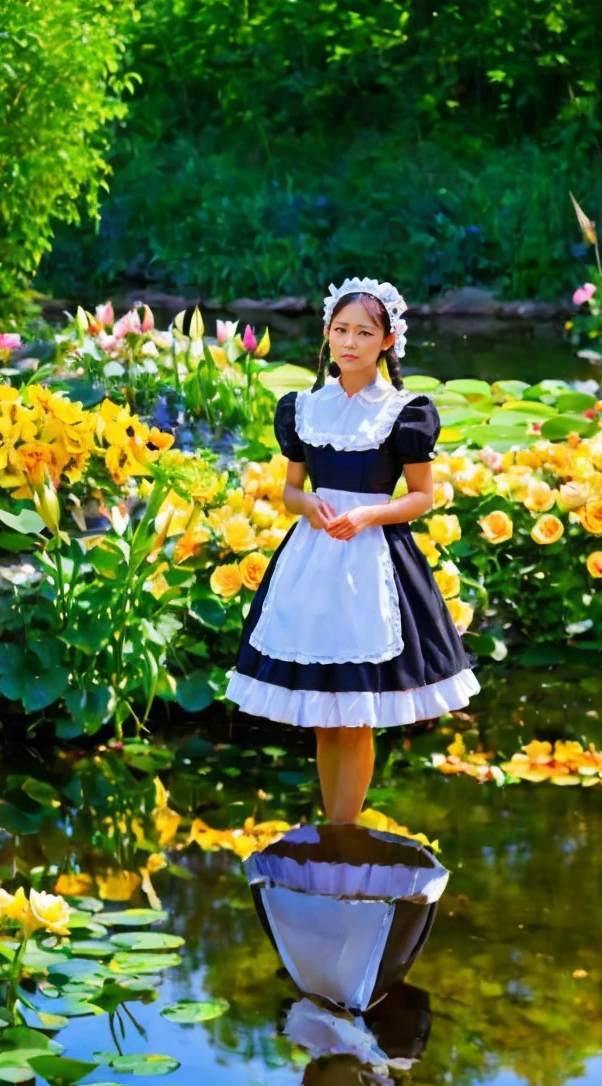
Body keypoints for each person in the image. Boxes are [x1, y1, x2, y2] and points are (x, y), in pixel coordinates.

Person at [225, 276, 480, 822]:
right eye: (341, 330)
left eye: (364, 332)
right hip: (312, 563)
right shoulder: (303, 408)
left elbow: (421, 498)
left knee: (356, 714)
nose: (350, 342)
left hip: (373, 563)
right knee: (324, 712)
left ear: (388, 341)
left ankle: (344, 834)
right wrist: (306, 504)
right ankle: (333, 837)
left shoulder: (404, 411)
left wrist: (367, 513)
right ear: (326, 334)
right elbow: (291, 490)